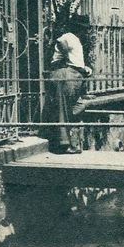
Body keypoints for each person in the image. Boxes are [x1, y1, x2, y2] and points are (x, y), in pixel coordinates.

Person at [49, 16, 92, 154]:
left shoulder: (77, 40)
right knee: (64, 108)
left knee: (77, 105)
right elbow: (61, 44)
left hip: (76, 76)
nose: (85, 31)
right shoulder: (67, 37)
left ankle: (64, 138)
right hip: (65, 74)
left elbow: (76, 60)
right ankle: (64, 144)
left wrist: (84, 68)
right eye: (83, 28)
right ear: (77, 27)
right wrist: (68, 63)